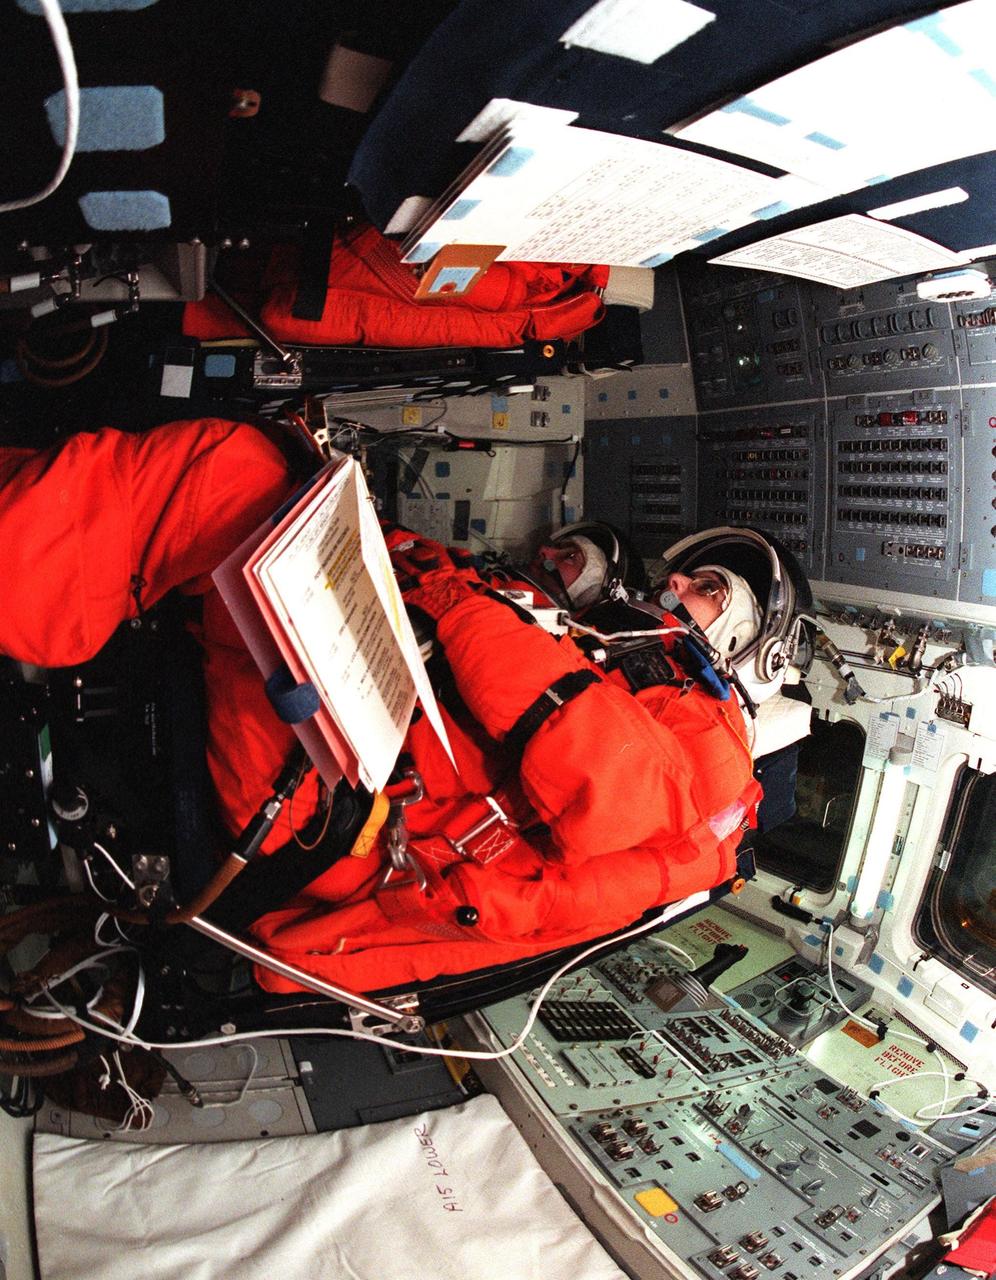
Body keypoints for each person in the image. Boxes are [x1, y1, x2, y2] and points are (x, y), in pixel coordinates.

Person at [0, 418, 811, 997]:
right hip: (363, 750)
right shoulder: (633, 666)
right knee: (272, 489)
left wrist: (453, 601)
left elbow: (600, 778)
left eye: (706, 590)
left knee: (233, 480)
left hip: (340, 820)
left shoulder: (717, 756)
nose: (676, 585)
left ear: (757, 647)